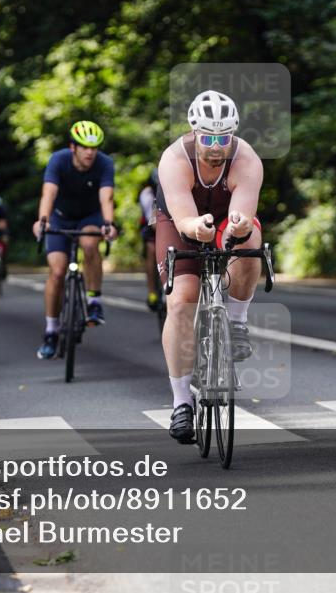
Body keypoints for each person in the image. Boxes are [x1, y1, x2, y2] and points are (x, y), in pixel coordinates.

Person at [155, 90, 264, 443]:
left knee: (250, 245)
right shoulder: (175, 158)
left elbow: (244, 219)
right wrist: (194, 228)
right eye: (208, 137)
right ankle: (181, 403)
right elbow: (185, 217)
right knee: (182, 300)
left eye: (223, 137)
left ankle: (236, 322)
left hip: (224, 219)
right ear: (194, 132)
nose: (216, 146)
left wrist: (239, 227)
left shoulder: (246, 159)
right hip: (179, 220)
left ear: (232, 135)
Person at [32, 120, 118, 360]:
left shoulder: (104, 163)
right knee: (57, 272)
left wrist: (109, 225)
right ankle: (51, 330)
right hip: (60, 218)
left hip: (90, 217)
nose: (90, 152)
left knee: (90, 244)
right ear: (73, 147)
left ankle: (94, 301)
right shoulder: (58, 160)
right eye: (84, 147)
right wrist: (43, 221)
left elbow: (107, 197)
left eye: (94, 147)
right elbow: (48, 193)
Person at [138, 168, 160, 311]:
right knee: (152, 250)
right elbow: (153, 223)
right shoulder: (147, 194)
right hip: (152, 228)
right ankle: (152, 291)